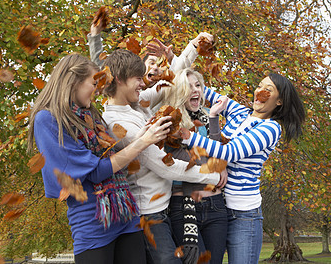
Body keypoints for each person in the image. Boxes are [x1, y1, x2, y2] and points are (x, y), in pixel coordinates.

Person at [27, 53, 173, 264]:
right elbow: (96, 171)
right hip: (93, 225)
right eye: (93, 83)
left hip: (126, 216)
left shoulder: (91, 114)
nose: (98, 89)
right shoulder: (47, 120)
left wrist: (144, 135)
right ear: (74, 81)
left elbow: (112, 154)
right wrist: (143, 142)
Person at [101, 49, 227, 264]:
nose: (143, 84)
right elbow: (164, 166)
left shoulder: (135, 106)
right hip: (148, 213)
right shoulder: (118, 124)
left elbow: (173, 80)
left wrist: (195, 46)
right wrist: (212, 176)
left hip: (163, 208)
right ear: (120, 80)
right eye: (138, 79)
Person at [181, 73, 305, 264]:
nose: (260, 92)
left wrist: (187, 137)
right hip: (218, 208)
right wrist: (176, 61)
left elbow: (228, 152)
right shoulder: (239, 112)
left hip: (243, 216)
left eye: (268, 90)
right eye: (259, 86)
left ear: (279, 101)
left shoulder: (270, 128)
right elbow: (198, 89)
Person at [160, 68, 229, 264]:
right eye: (188, 86)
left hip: (215, 204)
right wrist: (215, 164)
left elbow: (218, 150)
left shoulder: (208, 118)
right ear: (179, 92)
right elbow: (178, 159)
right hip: (183, 205)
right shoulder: (169, 120)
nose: (195, 90)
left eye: (198, 85)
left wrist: (214, 118)